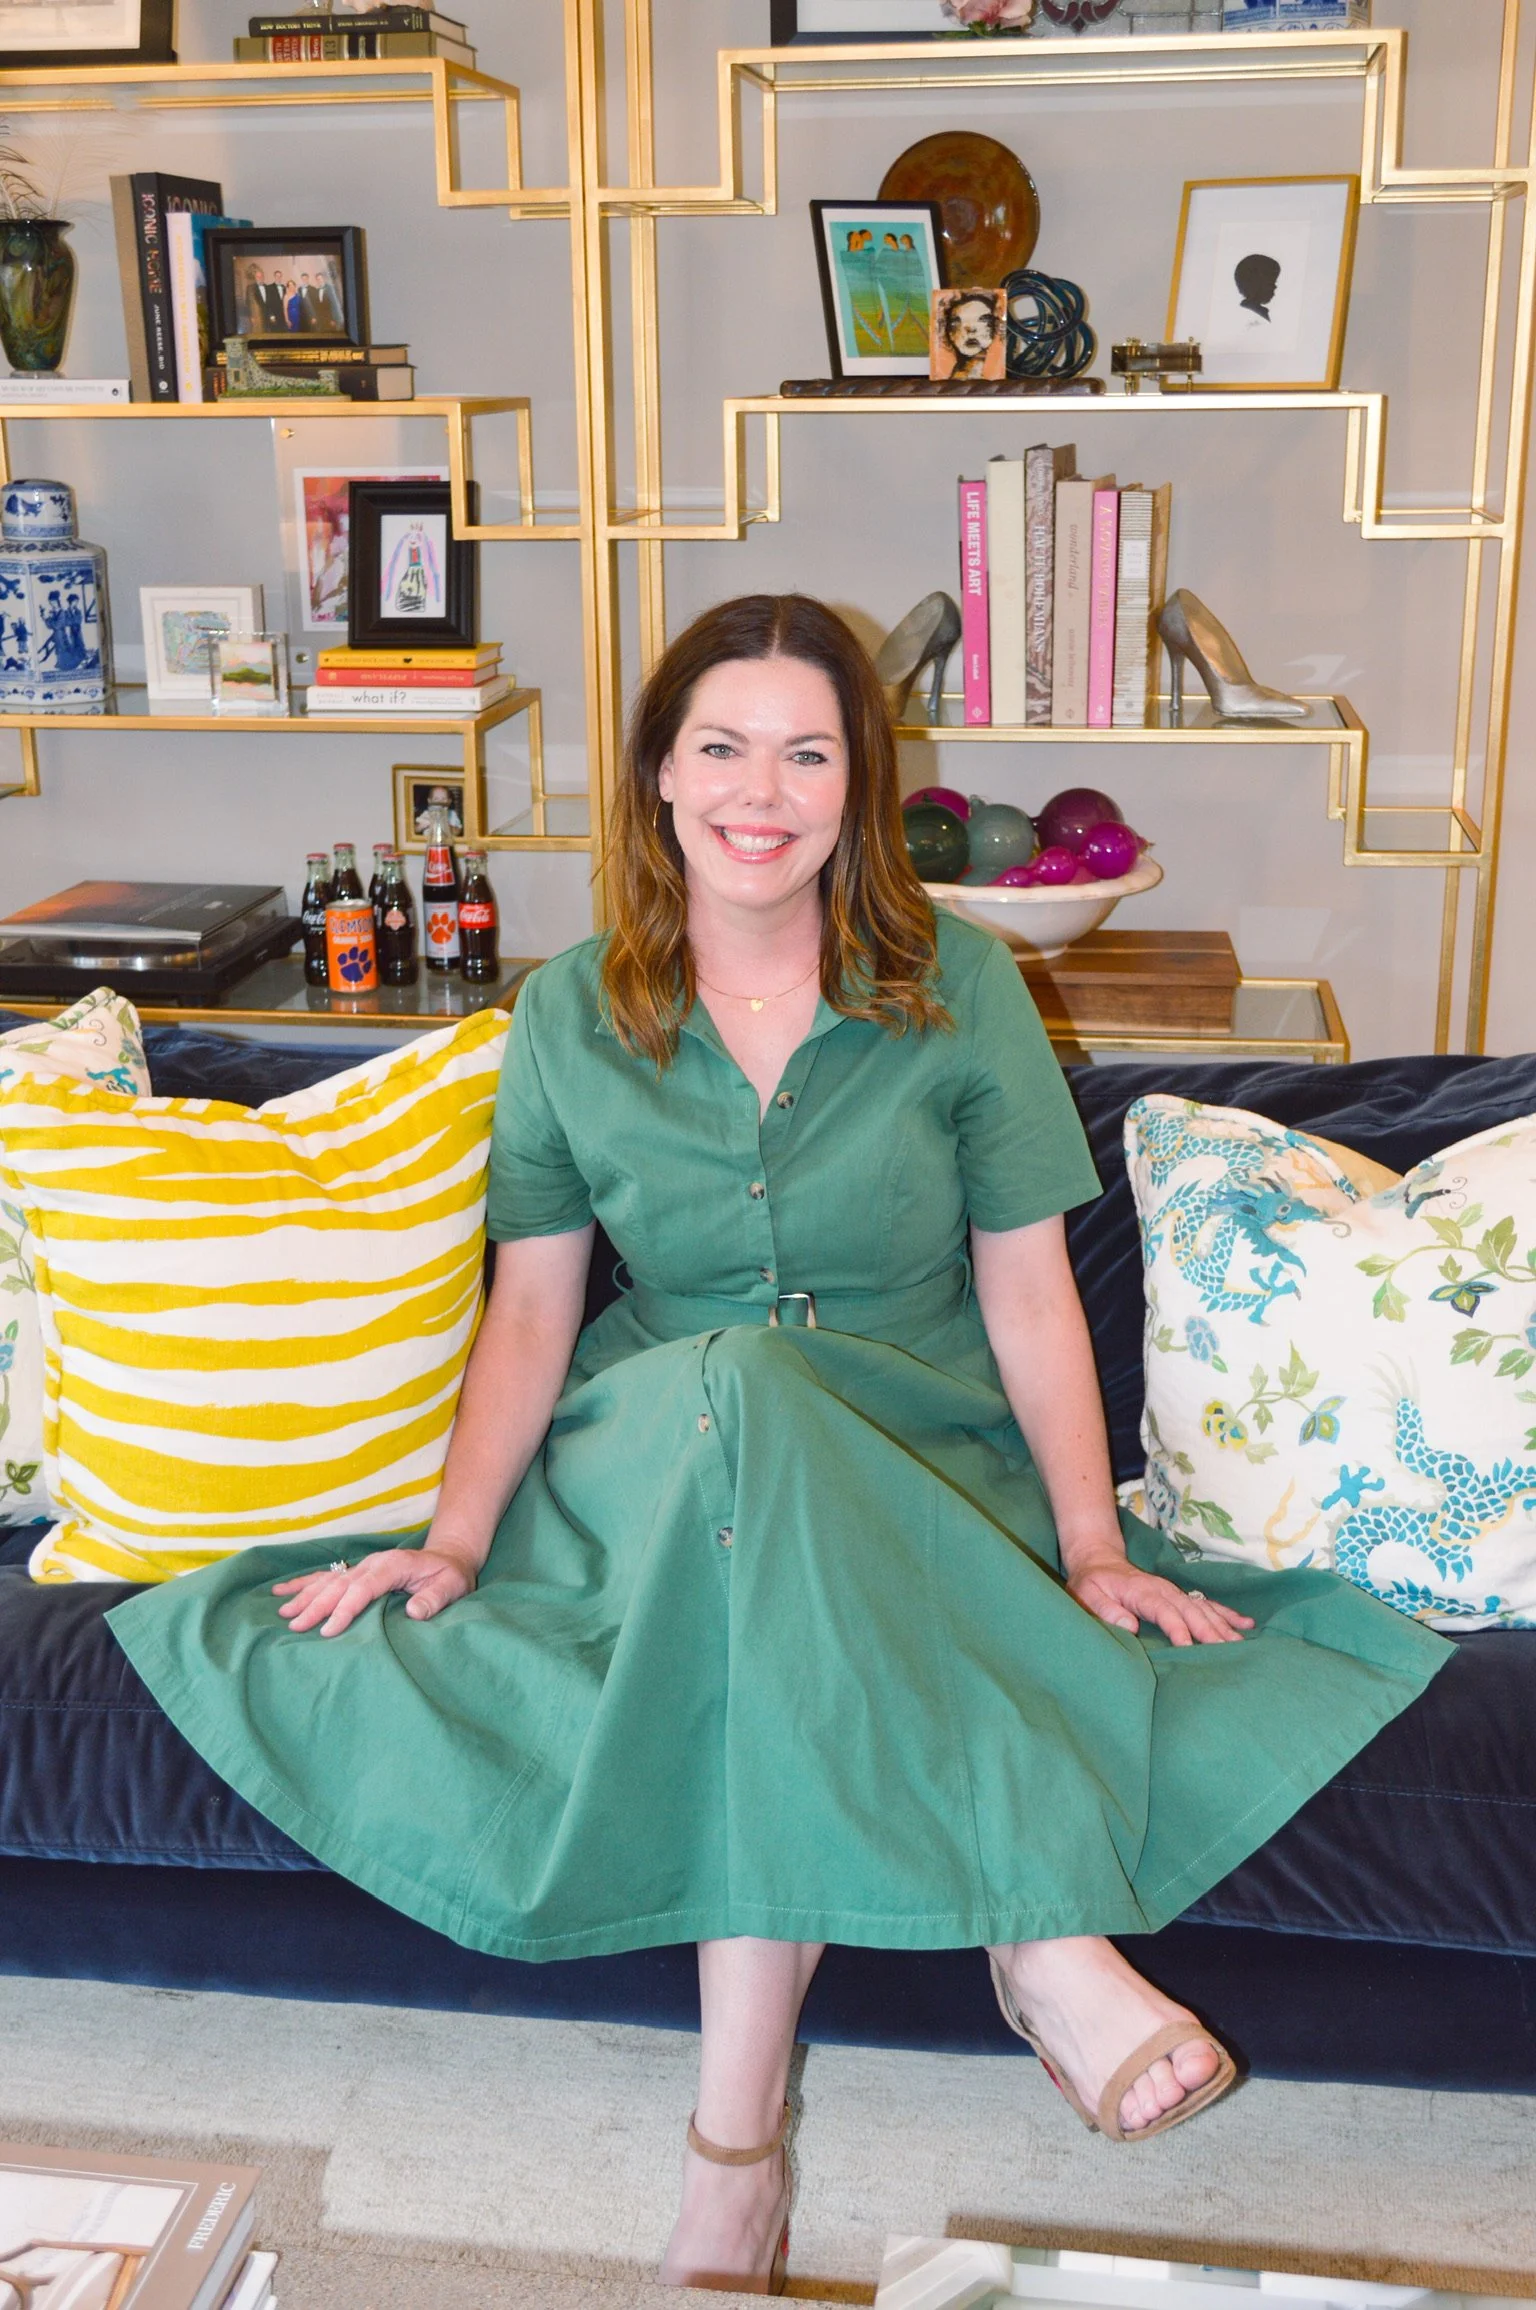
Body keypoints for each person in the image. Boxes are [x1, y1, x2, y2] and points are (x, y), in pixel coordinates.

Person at [108, 595, 1446, 2297]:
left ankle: (733, 2162)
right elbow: (533, 1311)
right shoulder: (574, 1012)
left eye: (807, 750)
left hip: (913, 1464)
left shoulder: (960, 985)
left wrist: (1094, 1543)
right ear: (661, 775)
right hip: (659, 1456)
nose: (764, 787)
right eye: (722, 745)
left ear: (858, 785)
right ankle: (1032, 1939)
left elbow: (1030, 1293)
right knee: (736, 1383)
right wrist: (452, 1541)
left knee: (779, 1476)